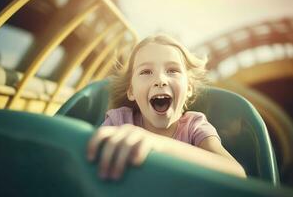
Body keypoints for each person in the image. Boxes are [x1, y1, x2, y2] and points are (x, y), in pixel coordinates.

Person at [87, 34, 247, 181]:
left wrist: (157, 143)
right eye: (146, 71)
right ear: (131, 91)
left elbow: (237, 173)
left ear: (189, 88)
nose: (160, 80)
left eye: (172, 70)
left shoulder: (195, 126)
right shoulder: (119, 121)